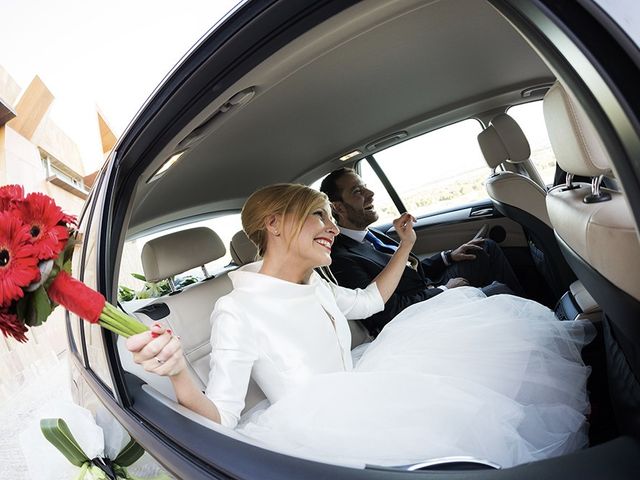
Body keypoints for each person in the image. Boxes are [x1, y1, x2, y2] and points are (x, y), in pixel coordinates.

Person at [127, 183, 593, 468]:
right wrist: (178, 372)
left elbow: (370, 299)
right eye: (319, 215)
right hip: (320, 429)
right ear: (275, 224)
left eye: (332, 217)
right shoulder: (236, 310)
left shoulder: (317, 284)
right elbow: (223, 417)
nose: (332, 227)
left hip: (363, 382)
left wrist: (405, 245)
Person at [320, 167, 523, 335]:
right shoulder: (342, 258)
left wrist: (447, 257)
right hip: (420, 313)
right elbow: (387, 311)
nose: (370, 194)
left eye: (365, 188)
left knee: (483, 248)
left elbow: (405, 271)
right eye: (357, 191)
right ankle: (523, 319)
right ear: (338, 208)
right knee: (499, 291)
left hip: (427, 288)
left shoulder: (369, 234)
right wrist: (443, 292)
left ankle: (524, 309)